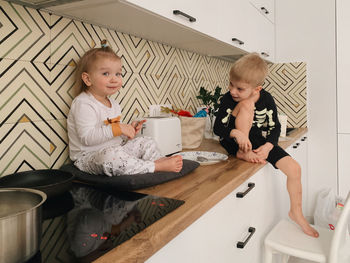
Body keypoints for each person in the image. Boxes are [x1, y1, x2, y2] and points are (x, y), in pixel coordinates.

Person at [213, 53, 319, 238]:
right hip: (232, 140)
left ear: (257, 88)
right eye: (231, 84)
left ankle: (296, 212)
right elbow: (218, 128)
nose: (232, 91)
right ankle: (241, 152)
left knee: (295, 169)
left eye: (240, 88)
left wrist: (269, 146)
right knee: (246, 105)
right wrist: (236, 133)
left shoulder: (266, 99)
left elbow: (275, 127)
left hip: (256, 139)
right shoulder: (229, 99)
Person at [67, 40, 183, 176]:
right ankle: (153, 166)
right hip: (89, 158)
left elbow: (113, 135)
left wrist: (128, 131)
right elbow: (87, 138)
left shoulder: (114, 104)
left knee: (146, 140)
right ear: (87, 79)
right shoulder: (83, 103)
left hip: (116, 149)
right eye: (106, 74)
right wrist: (119, 128)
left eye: (118, 74)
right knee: (111, 155)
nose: (114, 79)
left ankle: (158, 160)